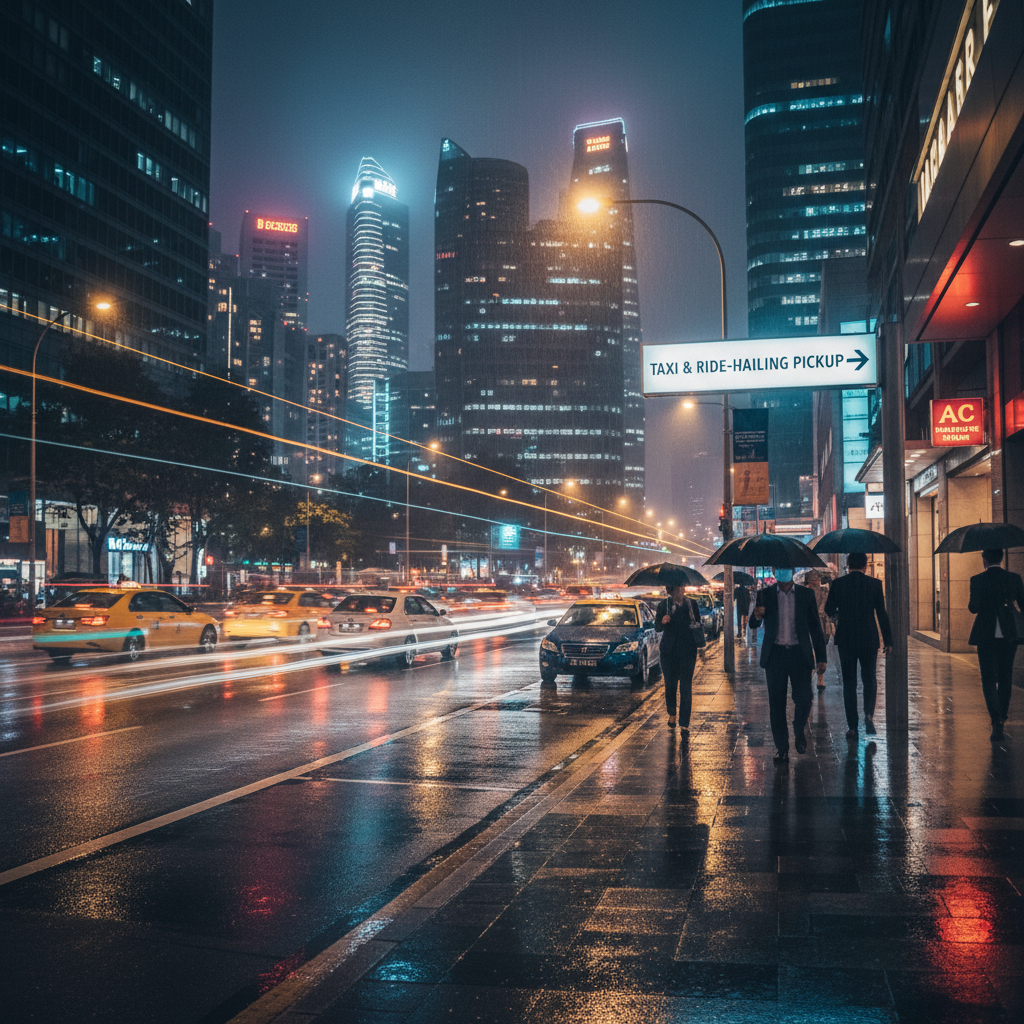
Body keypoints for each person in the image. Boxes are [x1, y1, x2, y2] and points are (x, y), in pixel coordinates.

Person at [749, 567, 827, 763]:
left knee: (804, 698)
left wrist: (821, 658)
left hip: (800, 655)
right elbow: (753, 623)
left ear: (792, 571)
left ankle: (799, 728)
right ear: (774, 572)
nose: (782, 572)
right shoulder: (764, 594)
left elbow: (815, 627)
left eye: (785, 568)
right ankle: (782, 748)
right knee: (777, 704)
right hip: (775, 655)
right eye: (779, 568)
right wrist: (757, 616)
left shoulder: (805, 594)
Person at [824, 553, 893, 736]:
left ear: (848, 564)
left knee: (849, 682)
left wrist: (839, 614)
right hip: (868, 638)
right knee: (869, 678)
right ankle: (869, 715)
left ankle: (852, 726)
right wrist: (888, 640)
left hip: (846, 638)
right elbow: (881, 613)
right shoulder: (874, 584)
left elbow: (828, 609)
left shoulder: (838, 584)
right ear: (865, 565)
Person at [968, 548, 1024, 740]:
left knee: (988, 678)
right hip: (1009, 633)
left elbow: (973, 607)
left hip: (986, 633)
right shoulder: (1014, 578)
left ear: (984, 559)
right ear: (1001, 558)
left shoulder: (977, 580)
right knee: (1005, 675)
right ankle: (1003, 714)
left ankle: (996, 718)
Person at [655, 583, 703, 733]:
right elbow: (657, 627)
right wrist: (663, 622)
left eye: (683, 587)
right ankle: (672, 713)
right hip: (669, 652)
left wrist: (693, 621)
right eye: (678, 588)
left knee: (686, 686)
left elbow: (698, 622)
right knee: (670, 685)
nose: (682, 590)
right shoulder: (664, 605)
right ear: (671, 590)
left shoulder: (692, 604)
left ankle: (684, 722)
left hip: (688, 651)